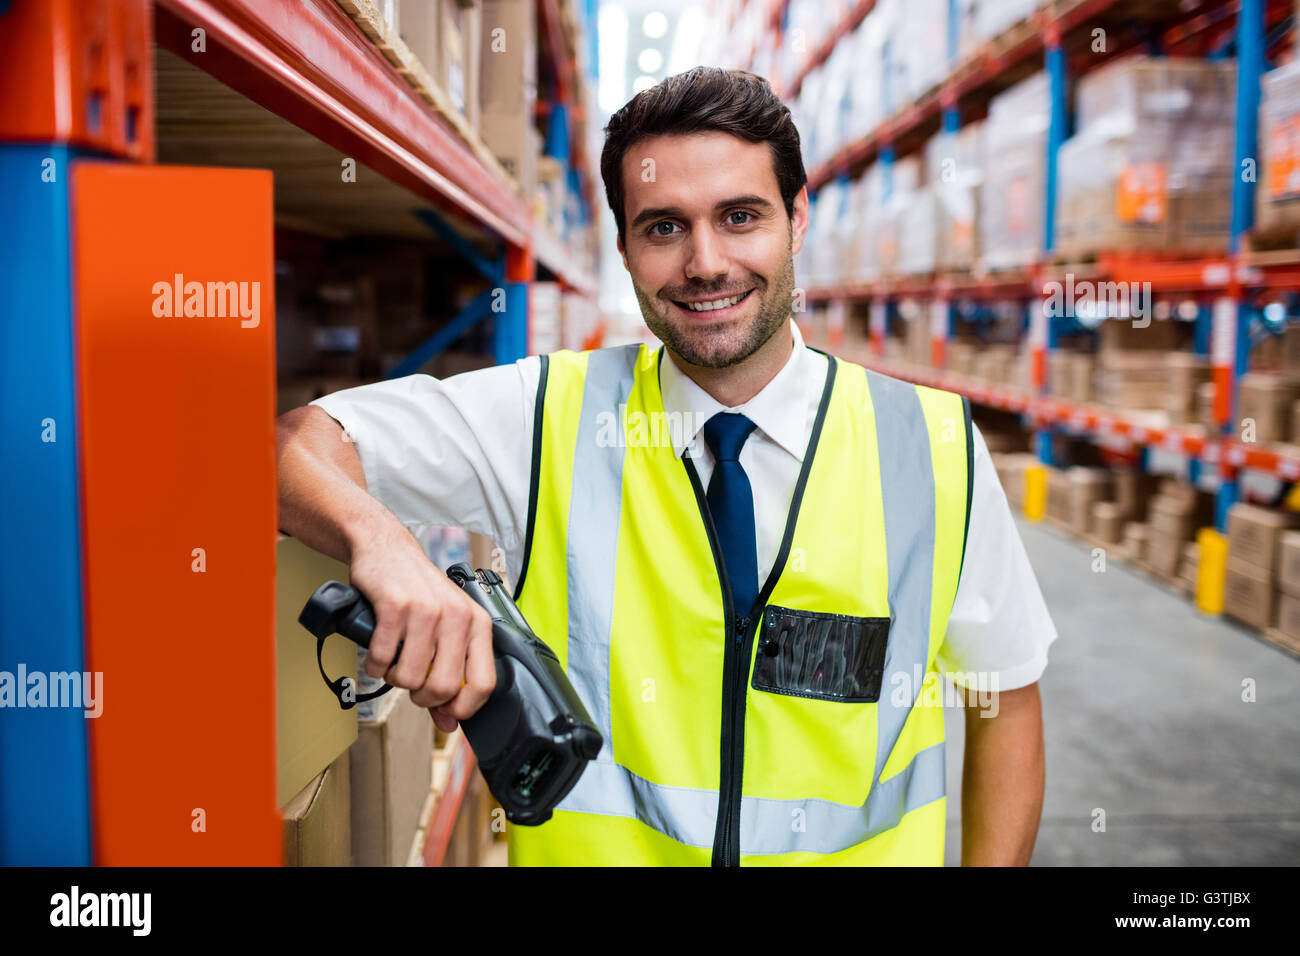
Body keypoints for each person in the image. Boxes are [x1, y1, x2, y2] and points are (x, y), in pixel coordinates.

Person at [276, 66, 1056, 866]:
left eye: (740, 216)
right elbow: (290, 446)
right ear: (624, 249)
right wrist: (383, 544)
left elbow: (1004, 698)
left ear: (797, 220)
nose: (706, 263)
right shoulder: (547, 417)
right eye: (664, 228)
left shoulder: (931, 446)